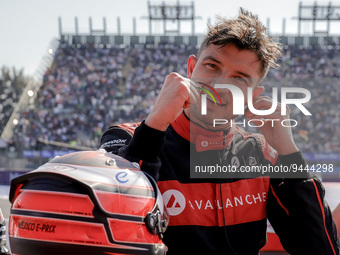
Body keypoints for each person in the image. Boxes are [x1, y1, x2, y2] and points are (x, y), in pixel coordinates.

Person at [100, 8, 340, 255]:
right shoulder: (126, 138)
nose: (219, 85)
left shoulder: (264, 155)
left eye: (239, 78)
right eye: (212, 66)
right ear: (191, 68)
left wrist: (288, 154)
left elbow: (320, 249)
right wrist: (155, 126)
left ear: (253, 96)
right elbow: (110, 226)